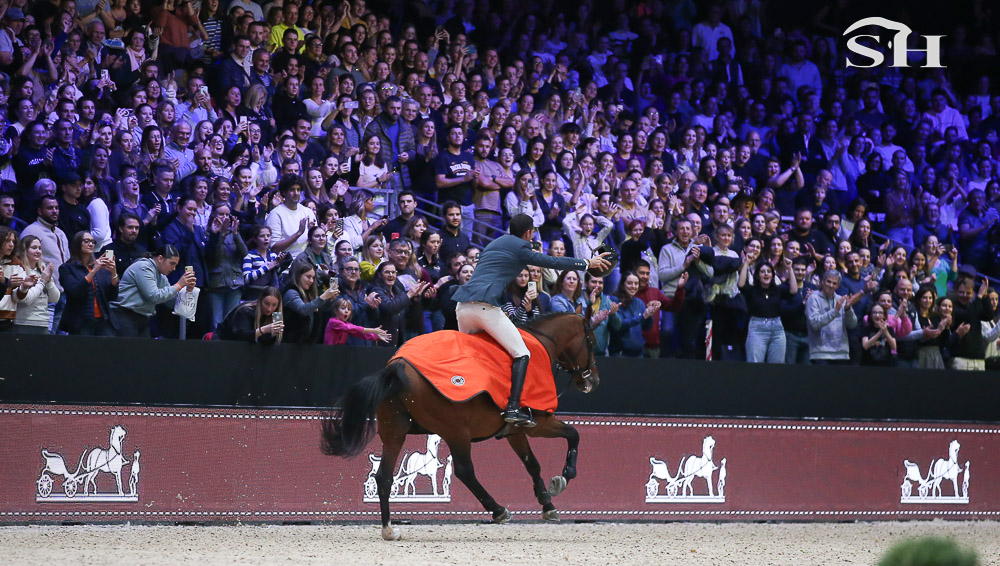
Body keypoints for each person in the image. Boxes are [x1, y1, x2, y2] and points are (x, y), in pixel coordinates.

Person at [451, 213, 611, 427]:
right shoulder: (520, 247)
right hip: (484, 307)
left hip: (462, 307)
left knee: (474, 357)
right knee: (522, 352)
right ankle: (513, 408)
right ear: (529, 232)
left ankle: (465, 400)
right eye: (533, 232)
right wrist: (586, 262)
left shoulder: (496, 243)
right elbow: (550, 261)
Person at [111, 245, 197, 338]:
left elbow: (170, 303)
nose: (174, 268)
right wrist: (179, 285)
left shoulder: (162, 276)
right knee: (127, 352)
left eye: (175, 265)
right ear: (160, 258)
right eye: (172, 263)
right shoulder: (143, 267)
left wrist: (188, 290)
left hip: (142, 317)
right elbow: (153, 296)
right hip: (124, 315)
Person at [58, 231, 119, 336]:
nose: (90, 244)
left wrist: (113, 272)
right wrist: (93, 271)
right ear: (77, 243)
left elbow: (112, 296)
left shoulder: (101, 268)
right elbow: (75, 291)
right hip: (80, 322)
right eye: (86, 241)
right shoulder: (67, 268)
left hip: (104, 320)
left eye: (92, 242)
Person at [739, 255, 798, 363]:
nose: (766, 274)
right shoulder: (752, 290)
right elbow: (741, 285)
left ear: (772, 275)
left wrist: (790, 268)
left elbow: (793, 290)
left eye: (769, 271)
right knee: (755, 364)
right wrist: (746, 263)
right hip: (757, 328)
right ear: (757, 275)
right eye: (762, 272)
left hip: (777, 329)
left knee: (777, 366)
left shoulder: (777, 290)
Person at [806, 270, 863, 364]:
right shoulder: (813, 298)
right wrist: (835, 311)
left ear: (838, 286)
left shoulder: (841, 300)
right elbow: (814, 324)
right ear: (822, 282)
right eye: (828, 281)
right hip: (821, 353)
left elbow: (852, 325)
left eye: (834, 283)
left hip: (841, 353)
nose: (831, 285)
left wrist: (848, 309)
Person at [281, 262, 340, 344]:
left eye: (313, 278)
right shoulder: (291, 292)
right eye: (308, 277)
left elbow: (321, 309)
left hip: (306, 344)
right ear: (298, 276)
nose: (311, 281)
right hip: (289, 344)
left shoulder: (308, 294)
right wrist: (323, 296)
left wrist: (330, 299)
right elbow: (303, 310)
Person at [12, 235, 60, 334]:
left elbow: (54, 299)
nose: (38, 251)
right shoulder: (19, 271)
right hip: (24, 323)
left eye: (40, 248)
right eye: (34, 248)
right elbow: (26, 300)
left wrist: (49, 280)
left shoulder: (42, 271)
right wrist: (42, 281)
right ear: (24, 250)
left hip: (43, 323)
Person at [608, 271, 661, 357]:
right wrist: (642, 317)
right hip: (620, 354)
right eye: (629, 283)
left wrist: (650, 314)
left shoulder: (639, 302)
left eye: (636, 283)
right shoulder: (615, 301)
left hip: (639, 354)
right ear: (623, 284)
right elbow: (619, 325)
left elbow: (647, 327)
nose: (633, 286)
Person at [214, 287, 284, 344]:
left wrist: (274, 334)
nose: (269, 308)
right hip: (222, 343)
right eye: (266, 303)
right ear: (260, 300)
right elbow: (241, 336)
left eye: (274, 305)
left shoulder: (276, 315)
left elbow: (266, 342)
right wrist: (264, 330)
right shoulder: (245, 310)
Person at [324, 296, 393, 345]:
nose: (346, 311)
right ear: (336, 311)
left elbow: (360, 333)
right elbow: (354, 329)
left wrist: (376, 336)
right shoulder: (333, 322)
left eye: (349, 309)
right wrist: (373, 330)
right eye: (343, 308)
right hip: (329, 353)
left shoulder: (347, 324)